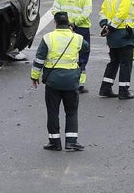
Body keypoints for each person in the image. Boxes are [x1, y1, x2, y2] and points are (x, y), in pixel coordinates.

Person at [31, 12, 90, 152]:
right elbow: (86, 48)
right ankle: (71, 142)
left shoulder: (48, 38)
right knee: (71, 111)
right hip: (71, 81)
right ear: (68, 23)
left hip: (53, 82)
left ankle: (54, 142)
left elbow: (39, 59)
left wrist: (35, 77)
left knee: (53, 112)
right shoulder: (77, 38)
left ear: (55, 23)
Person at [49, 0, 93, 93]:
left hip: (64, 28)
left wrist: (65, 22)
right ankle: (80, 84)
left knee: (65, 53)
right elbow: (86, 12)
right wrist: (75, 23)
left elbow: (55, 10)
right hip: (81, 28)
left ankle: (63, 81)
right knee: (82, 54)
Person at [98, 0, 134, 99]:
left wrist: (105, 26)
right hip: (123, 34)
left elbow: (102, 12)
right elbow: (121, 15)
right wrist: (112, 27)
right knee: (126, 63)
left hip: (112, 36)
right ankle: (124, 91)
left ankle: (105, 88)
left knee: (114, 61)